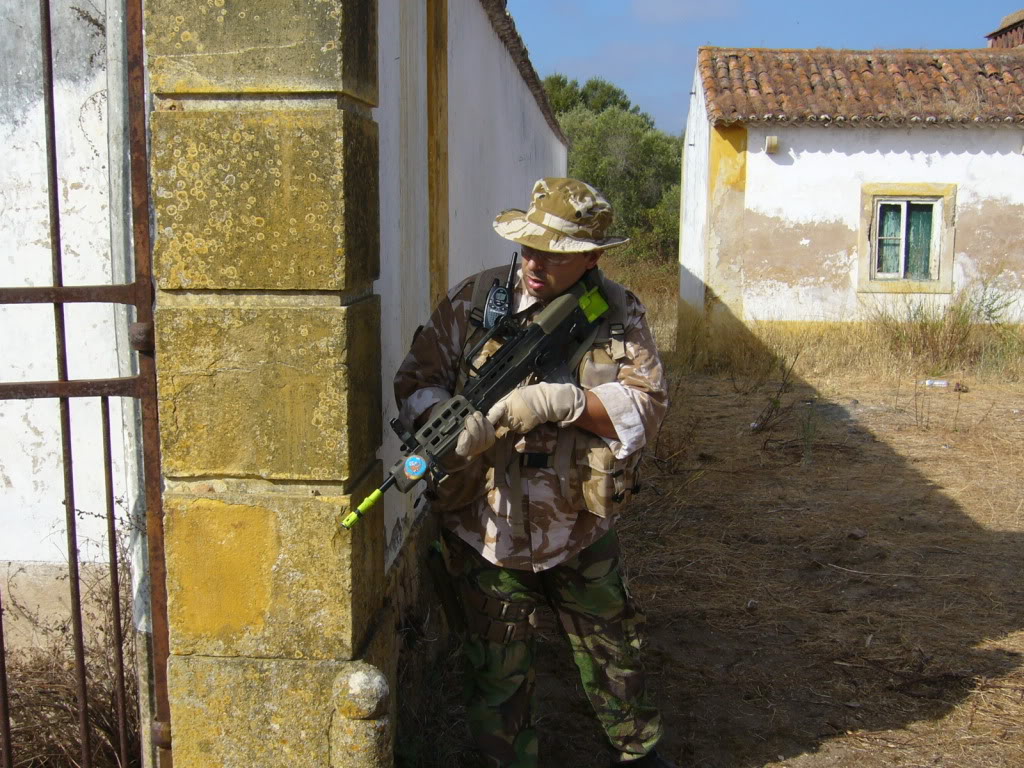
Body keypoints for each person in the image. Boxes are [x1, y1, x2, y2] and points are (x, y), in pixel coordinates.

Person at [394, 178, 675, 768]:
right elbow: (415, 381)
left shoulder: (618, 312)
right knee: (496, 666)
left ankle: (639, 753)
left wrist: (563, 402)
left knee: (612, 650)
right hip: (484, 525)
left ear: (593, 258)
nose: (535, 263)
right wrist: (446, 423)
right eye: (529, 247)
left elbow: (648, 408)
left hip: (577, 525)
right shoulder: (475, 300)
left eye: (557, 253)